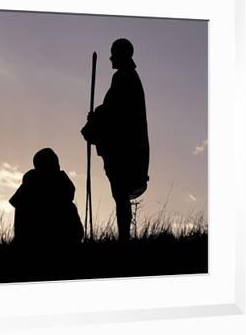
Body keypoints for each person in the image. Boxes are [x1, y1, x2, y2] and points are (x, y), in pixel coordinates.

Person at [81, 38, 149, 242]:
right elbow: (112, 109)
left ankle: (124, 238)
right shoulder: (127, 77)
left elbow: (116, 111)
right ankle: (124, 237)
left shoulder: (124, 77)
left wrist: (96, 118)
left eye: (113, 53)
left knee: (120, 194)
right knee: (120, 194)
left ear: (121, 54)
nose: (111, 57)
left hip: (124, 147)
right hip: (127, 145)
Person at [9, 148, 84, 248]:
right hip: (42, 241)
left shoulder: (27, 188)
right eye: (55, 163)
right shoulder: (31, 188)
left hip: (31, 242)